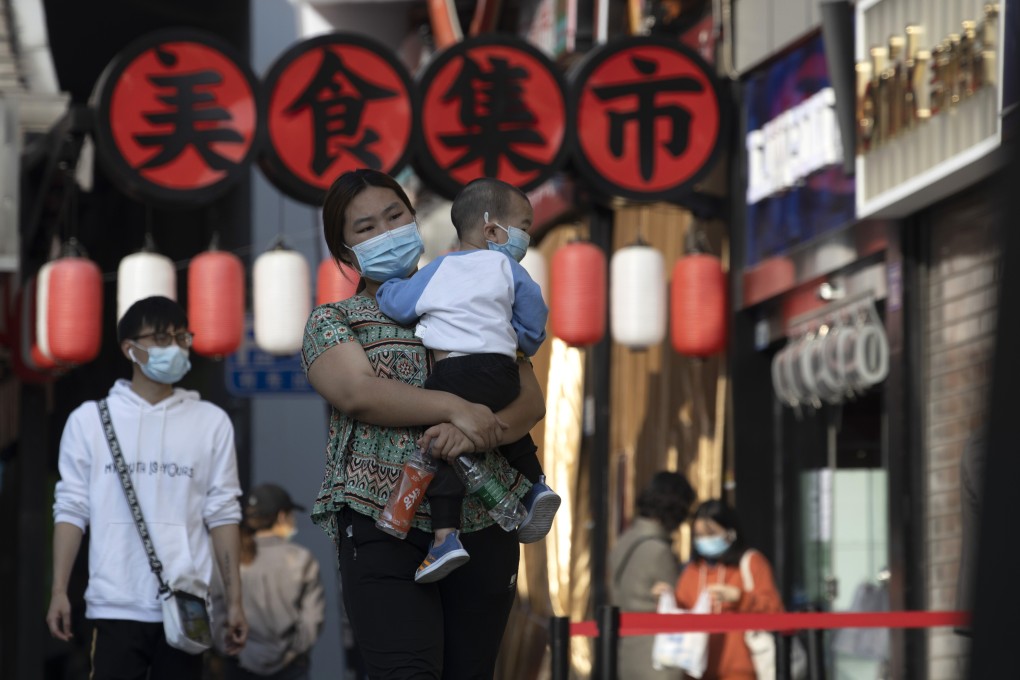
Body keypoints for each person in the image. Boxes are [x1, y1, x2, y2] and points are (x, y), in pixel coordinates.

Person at [301, 168, 547, 678]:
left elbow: (529, 401)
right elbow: (359, 394)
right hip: (384, 523)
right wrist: (454, 408)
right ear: (346, 250)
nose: (387, 231)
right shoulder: (334, 320)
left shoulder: (476, 292)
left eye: (395, 216)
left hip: (482, 521)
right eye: (367, 227)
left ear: (415, 218)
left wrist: (472, 431)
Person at [45, 295, 248, 680]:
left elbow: (223, 514)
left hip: (188, 603)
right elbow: (71, 509)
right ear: (130, 348)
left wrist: (234, 600)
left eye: (182, 338)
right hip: (114, 602)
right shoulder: (89, 421)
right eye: (161, 338)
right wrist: (59, 590)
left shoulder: (212, 422)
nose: (175, 348)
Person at [375, 177, 561, 583]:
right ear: (492, 230)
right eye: (524, 227)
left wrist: (386, 289)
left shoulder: (440, 268)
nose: (526, 238)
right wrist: (521, 344)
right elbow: (534, 318)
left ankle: (445, 536)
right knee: (501, 425)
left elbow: (400, 305)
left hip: (454, 374)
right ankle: (535, 485)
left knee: (441, 445)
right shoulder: (509, 269)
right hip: (503, 371)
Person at [213, 483, 325, 680]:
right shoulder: (301, 558)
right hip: (290, 669)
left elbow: (215, 612)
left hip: (237, 664)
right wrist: (291, 653)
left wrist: (232, 649)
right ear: (282, 516)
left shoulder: (228, 558)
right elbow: (312, 620)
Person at [674, 500, 783, 680]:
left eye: (711, 533)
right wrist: (666, 599)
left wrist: (741, 598)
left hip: (741, 671)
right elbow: (681, 611)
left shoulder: (751, 562)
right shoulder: (693, 570)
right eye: (699, 535)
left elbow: (775, 611)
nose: (704, 540)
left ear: (730, 532)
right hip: (696, 671)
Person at [609, 471, 696, 680]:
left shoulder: (624, 541)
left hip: (625, 653)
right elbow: (678, 602)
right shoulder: (659, 550)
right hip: (657, 658)